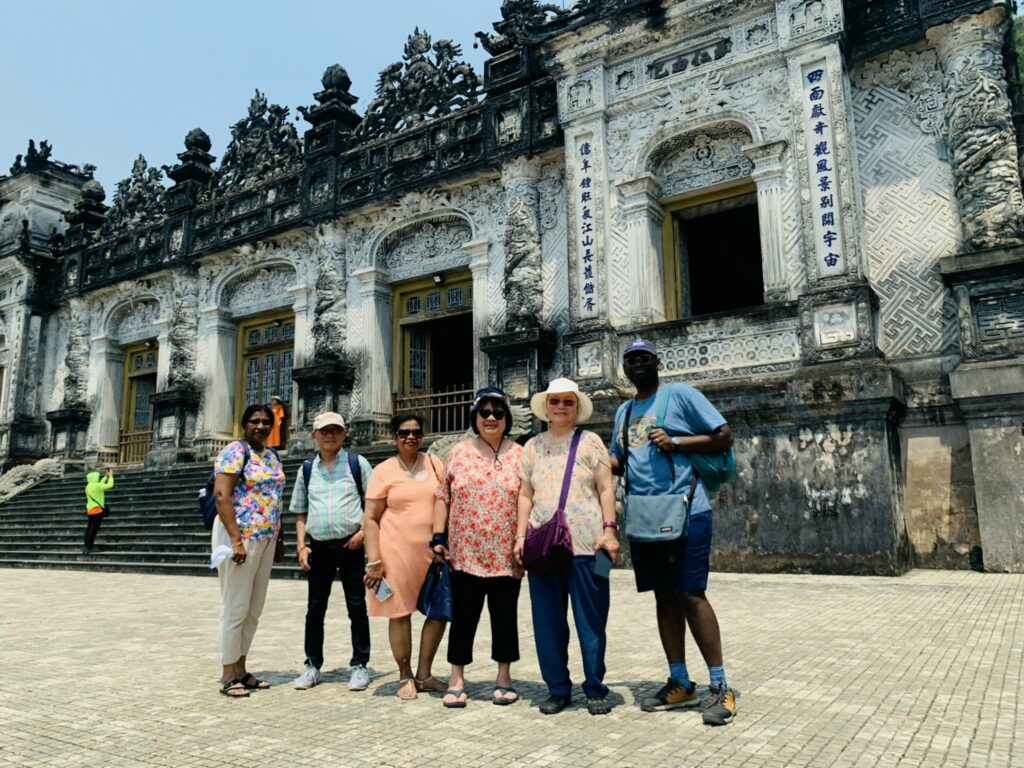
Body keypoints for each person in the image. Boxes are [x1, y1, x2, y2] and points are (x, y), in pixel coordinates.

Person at [609, 338, 737, 725]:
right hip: (645, 517)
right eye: (631, 360)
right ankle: (680, 681)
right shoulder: (624, 411)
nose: (638, 364)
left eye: (644, 357)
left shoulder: (680, 395)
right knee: (664, 597)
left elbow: (724, 434)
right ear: (625, 369)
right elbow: (621, 461)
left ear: (657, 362)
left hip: (687, 510)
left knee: (691, 593)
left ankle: (720, 685)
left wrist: (677, 440)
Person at [514, 378, 620, 716]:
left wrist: (611, 530)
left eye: (568, 402)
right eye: (555, 401)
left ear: (577, 408)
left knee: (592, 620)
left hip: (589, 545)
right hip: (543, 546)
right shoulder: (531, 447)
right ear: (546, 408)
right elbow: (525, 494)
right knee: (547, 622)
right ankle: (557, 688)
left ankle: (594, 687)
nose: (561, 407)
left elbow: (606, 489)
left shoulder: (591, 442)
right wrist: (519, 537)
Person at [432, 387, 524, 708]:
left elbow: (528, 499)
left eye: (498, 412)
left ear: (506, 418)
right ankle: (457, 677)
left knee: (505, 617)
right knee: (464, 617)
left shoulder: (520, 454)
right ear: (474, 417)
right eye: (484, 412)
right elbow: (443, 496)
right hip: (464, 553)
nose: (491, 418)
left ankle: (504, 676)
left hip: (506, 554)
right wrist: (438, 536)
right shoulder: (458, 452)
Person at [362, 413, 447, 700]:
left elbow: (443, 502)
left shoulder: (435, 464)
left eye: (416, 432)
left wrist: (441, 538)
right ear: (394, 436)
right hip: (395, 551)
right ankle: (404, 674)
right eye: (403, 433)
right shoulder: (383, 471)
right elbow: (371, 517)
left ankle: (425, 673)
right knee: (398, 612)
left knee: (438, 610)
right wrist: (374, 559)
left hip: (431, 551)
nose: (410, 437)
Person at [291, 412, 373, 692]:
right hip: (319, 548)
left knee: (357, 606)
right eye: (324, 430)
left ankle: (360, 664)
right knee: (315, 609)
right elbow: (300, 511)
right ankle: (312, 664)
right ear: (314, 435)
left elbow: (374, 505)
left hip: (351, 545)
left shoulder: (356, 463)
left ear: (344, 433)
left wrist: (364, 531)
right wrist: (302, 546)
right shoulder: (306, 470)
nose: (330, 435)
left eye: (335, 430)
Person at [212, 403, 286, 698]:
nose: (261, 426)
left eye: (266, 422)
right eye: (255, 421)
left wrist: (278, 538)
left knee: (254, 609)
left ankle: (242, 667)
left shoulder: (271, 454)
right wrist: (235, 540)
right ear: (244, 424)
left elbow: (274, 497)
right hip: (240, 535)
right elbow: (222, 494)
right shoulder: (234, 451)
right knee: (235, 606)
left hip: (266, 537)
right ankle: (228, 672)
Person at [83, 468, 114, 554]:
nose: (98, 478)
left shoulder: (88, 487)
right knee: (94, 530)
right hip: (97, 511)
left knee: (89, 529)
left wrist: (105, 477)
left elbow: (100, 484)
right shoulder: (97, 486)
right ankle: (89, 547)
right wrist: (110, 476)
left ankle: (86, 546)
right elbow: (110, 485)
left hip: (90, 510)